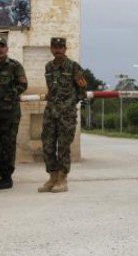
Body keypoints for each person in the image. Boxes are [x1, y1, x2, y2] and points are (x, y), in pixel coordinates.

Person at [38, 37, 88, 193]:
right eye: (55, 47)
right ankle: (52, 178)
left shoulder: (73, 66)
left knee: (64, 147)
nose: (58, 50)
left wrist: (67, 105)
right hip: (50, 113)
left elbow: (82, 93)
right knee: (48, 145)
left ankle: (62, 179)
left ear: (65, 49)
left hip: (66, 114)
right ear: (51, 49)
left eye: (60, 47)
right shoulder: (48, 67)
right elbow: (52, 90)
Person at [0, 36, 28, 189]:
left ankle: (7, 177)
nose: (0, 49)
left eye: (2, 46)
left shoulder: (14, 66)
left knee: (8, 145)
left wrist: (9, 94)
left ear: (7, 49)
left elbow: (23, 85)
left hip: (10, 113)